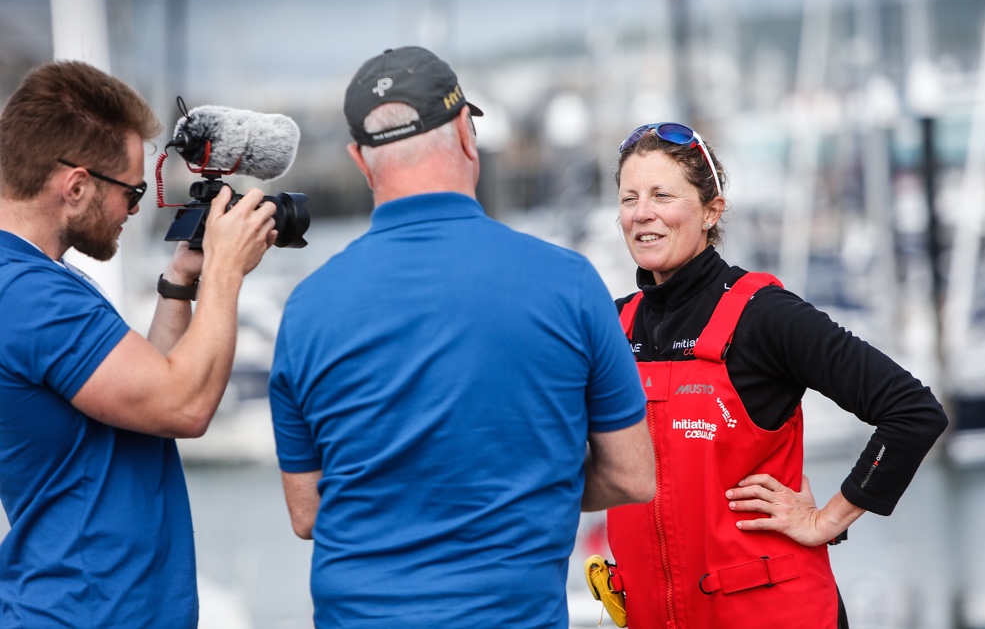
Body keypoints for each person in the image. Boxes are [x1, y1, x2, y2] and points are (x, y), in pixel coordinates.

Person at [268, 45, 656, 628]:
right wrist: (521, 489)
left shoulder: (306, 309)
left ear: (359, 159)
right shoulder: (568, 284)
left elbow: (307, 513)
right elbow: (631, 475)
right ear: (465, 134)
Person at [591, 122, 949, 629]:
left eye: (662, 195)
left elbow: (912, 413)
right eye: (629, 198)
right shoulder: (609, 327)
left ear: (712, 209)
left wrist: (828, 519)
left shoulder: (764, 315)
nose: (642, 213)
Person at [0, 60, 278, 627]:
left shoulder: (31, 279)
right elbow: (185, 405)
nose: (136, 209)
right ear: (75, 186)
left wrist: (181, 282)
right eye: (130, 193)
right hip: (84, 612)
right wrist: (226, 272)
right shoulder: (28, 294)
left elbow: (146, 398)